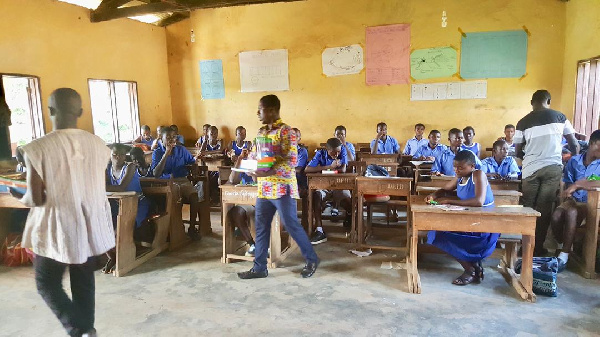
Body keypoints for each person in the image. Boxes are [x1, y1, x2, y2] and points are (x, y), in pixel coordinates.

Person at [12, 88, 114, 336]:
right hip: (90, 223)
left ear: (50, 111)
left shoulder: (37, 148)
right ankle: (87, 330)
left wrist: (20, 195)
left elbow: (35, 199)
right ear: (80, 112)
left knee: (46, 282)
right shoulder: (99, 145)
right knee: (83, 280)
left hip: (57, 225)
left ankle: (76, 328)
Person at [237, 95, 319, 279]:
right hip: (264, 188)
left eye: (261, 109)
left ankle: (311, 259)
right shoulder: (261, 132)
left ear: (272, 110)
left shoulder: (286, 132)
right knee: (261, 227)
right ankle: (259, 268)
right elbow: (255, 155)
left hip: (282, 188)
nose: (258, 112)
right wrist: (249, 166)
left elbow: (290, 161)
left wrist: (267, 171)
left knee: (290, 224)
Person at [515, 90, 579, 255]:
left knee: (527, 207)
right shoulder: (560, 117)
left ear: (532, 102)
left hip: (530, 169)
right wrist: (572, 154)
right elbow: (574, 145)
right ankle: (539, 247)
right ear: (548, 101)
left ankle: (525, 246)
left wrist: (530, 156)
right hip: (552, 167)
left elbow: (517, 151)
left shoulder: (522, 122)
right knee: (544, 208)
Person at [425, 150, 496, 285]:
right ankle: (472, 267)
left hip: (483, 226)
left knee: (440, 234)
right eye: (455, 167)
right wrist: (434, 195)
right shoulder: (460, 177)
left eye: (461, 168)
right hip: (466, 223)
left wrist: (449, 201)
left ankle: (470, 270)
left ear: (472, 166)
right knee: (435, 233)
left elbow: (478, 201)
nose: (457, 170)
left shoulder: (478, 174)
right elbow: (445, 189)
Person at [550, 130, 600, 271]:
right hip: (573, 200)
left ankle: (564, 255)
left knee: (572, 213)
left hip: (592, 204)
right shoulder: (574, 160)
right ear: (591, 144)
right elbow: (567, 185)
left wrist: (578, 184)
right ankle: (564, 245)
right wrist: (569, 195)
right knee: (556, 216)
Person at [103, 143, 151, 274]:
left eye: (122, 155)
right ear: (110, 155)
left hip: (136, 204)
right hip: (117, 204)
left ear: (126, 156)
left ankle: (119, 258)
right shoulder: (107, 169)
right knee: (102, 227)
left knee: (120, 230)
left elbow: (121, 187)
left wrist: (98, 187)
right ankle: (112, 257)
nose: (118, 157)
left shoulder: (130, 167)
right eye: (114, 155)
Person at [152, 126, 202, 240]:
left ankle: (192, 227)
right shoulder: (157, 152)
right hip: (166, 183)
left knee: (194, 197)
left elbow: (192, 162)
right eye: (168, 137)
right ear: (161, 138)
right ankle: (174, 229)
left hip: (182, 180)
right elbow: (156, 173)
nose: (171, 140)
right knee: (175, 201)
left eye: (174, 137)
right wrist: (166, 155)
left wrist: (194, 167)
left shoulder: (181, 149)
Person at [305, 138, 351, 245]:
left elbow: (343, 169)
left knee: (348, 200)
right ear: (327, 149)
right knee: (316, 195)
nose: (336, 154)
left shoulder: (342, 151)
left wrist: (321, 170)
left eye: (338, 151)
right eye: (333, 152)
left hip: (339, 185)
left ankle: (350, 216)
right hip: (323, 186)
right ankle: (319, 230)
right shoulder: (320, 153)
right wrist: (329, 167)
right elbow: (307, 169)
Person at [227, 149, 257, 257]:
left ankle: (265, 246)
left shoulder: (265, 162)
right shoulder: (245, 163)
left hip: (261, 200)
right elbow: (232, 180)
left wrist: (253, 173)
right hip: (247, 199)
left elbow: (259, 181)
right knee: (236, 212)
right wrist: (239, 159)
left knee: (262, 214)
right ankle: (252, 244)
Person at [293, 128, 309, 229]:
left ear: (299, 139)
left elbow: (298, 169)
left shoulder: (302, 151)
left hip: (300, 184)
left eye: (296, 136)